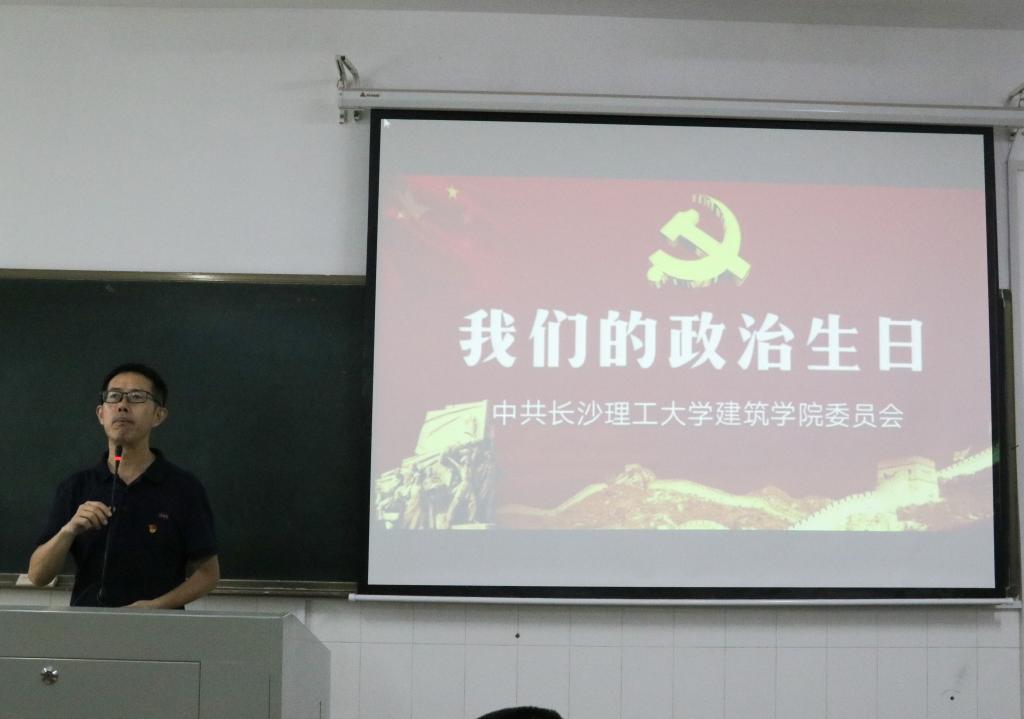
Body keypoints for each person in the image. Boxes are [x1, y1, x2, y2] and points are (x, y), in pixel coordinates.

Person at [28, 363, 219, 608]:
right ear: (101, 414)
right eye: (114, 396)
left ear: (158, 415)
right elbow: (38, 576)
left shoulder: (184, 488)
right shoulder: (76, 486)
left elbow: (208, 574)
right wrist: (69, 530)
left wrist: (154, 607)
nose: (122, 405)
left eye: (137, 397)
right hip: (88, 626)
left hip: (159, 626)